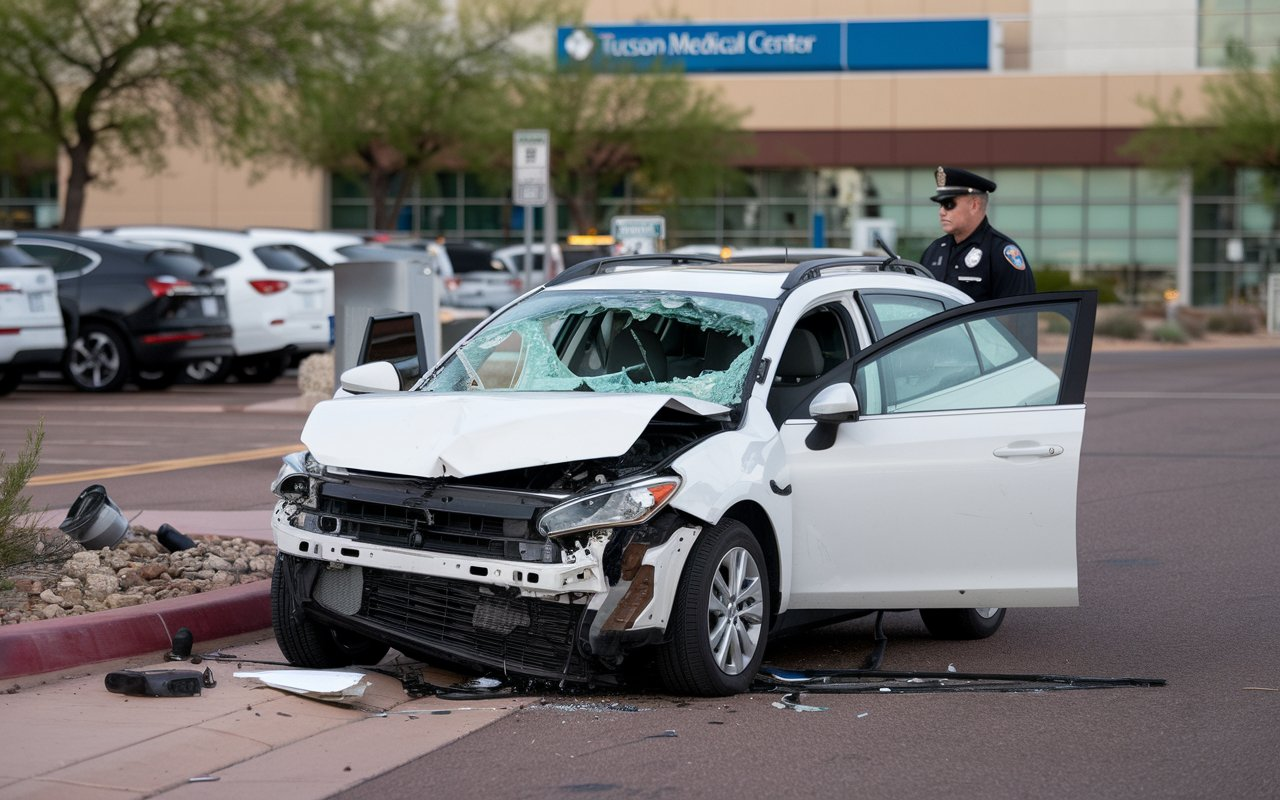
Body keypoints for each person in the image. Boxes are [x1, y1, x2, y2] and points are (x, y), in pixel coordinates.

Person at [919, 166, 1034, 301]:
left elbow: (1017, 317)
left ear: (974, 205)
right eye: (940, 205)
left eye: (949, 204)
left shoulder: (1000, 253)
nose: (942, 212)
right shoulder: (934, 250)